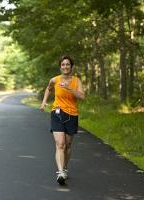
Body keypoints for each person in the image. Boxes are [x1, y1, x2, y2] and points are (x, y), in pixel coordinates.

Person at [40, 55, 85, 185]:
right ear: (60, 67)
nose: (65, 66)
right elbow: (48, 89)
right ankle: (60, 172)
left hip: (72, 115)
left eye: (68, 64)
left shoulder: (77, 81)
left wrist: (70, 89)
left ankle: (65, 168)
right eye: (63, 64)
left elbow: (82, 96)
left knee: (68, 145)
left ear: (71, 67)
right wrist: (44, 102)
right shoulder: (54, 80)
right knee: (60, 144)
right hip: (57, 113)